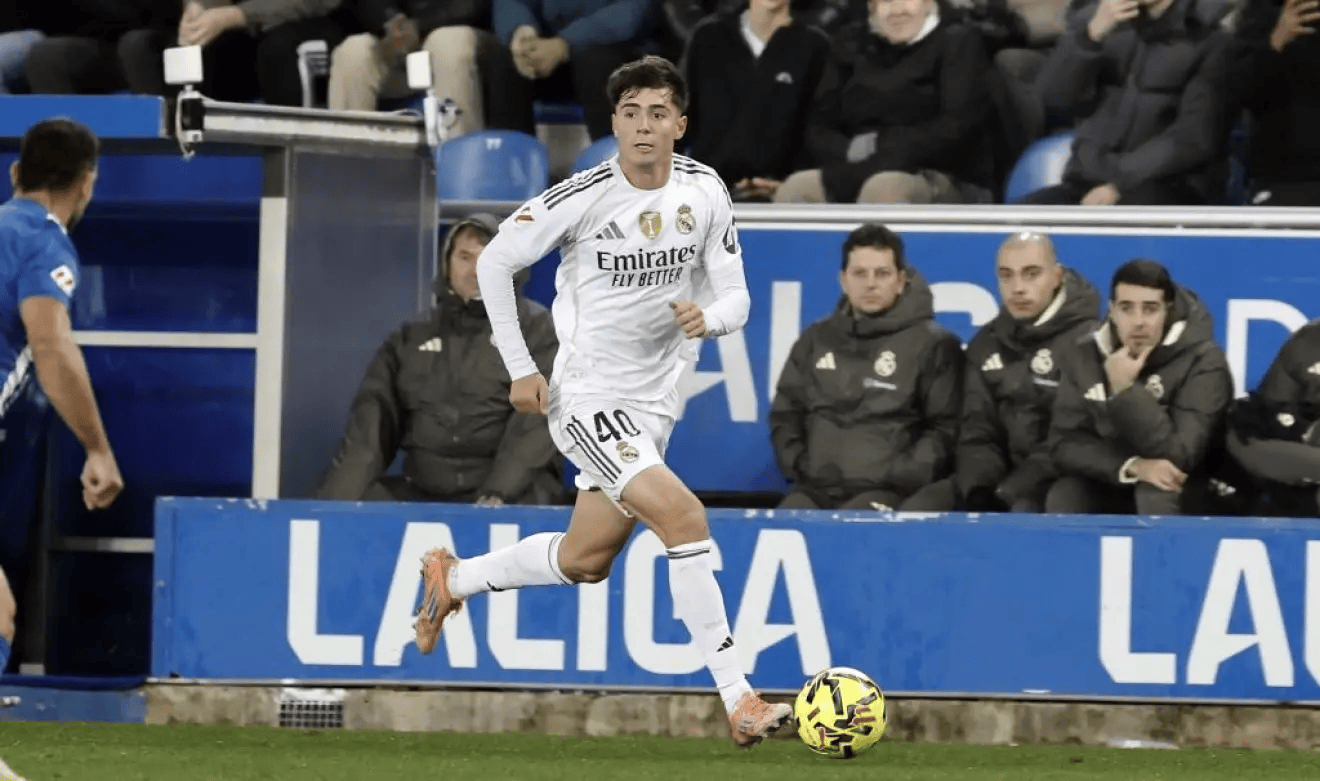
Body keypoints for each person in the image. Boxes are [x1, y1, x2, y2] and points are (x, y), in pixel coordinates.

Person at [406, 55, 792, 748]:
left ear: (680, 124)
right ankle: (740, 698)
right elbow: (495, 261)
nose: (644, 126)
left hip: (654, 404)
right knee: (684, 516)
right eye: (630, 113)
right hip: (588, 395)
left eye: (657, 113)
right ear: (614, 122)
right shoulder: (582, 196)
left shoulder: (705, 190)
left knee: (587, 558)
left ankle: (455, 577)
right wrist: (521, 367)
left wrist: (709, 318)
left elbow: (736, 295)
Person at [0, 119, 123, 779]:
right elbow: (50, 345)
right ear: (87, 184)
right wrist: (98, 449)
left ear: (16, 174)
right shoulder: (41, 241)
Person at [316, 214, 563, 504]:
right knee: (363, 501)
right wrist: (333, 508)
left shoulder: (538, 330)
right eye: (465, 257)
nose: (477, 271)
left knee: (532, 494)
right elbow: (368, 432)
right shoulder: (411, 336)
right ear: (447, 263)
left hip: (509, 495)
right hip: (424, 490)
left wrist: (498, 492)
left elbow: (536, 425)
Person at [769, 223, 963, 511]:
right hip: (815, 489)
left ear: (901, 280)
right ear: (843, 280)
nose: (870, 284)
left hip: (890, 493)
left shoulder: (934, 344)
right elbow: (786, 413)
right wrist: (801, 465)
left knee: (850, 529)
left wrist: (901, 477)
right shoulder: (816, 339)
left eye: (882, 274)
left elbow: (946, 428)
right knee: (782, 525)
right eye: (860, 274)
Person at [904, 232, 1100, 512]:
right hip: (997, 480)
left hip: (1059, 479)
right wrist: (980, 490)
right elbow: (978, 432)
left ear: (1057, 276)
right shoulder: (986, 343)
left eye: (1031, 274)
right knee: (920, 510)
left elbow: (1069, 441)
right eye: (1007, 275)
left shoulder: (1089, 343)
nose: (1017, 288)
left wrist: (1007, 492)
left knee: (1024, 512)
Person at [1042, 259, 1232, 515]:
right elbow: (1063, 442)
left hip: (1191, 485)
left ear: (1167, 311)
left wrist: (1125, 390)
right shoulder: (1085, 354)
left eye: (1150, 309)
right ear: (1112, 311)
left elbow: (1181, 456)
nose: (1138, 321)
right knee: (1067, 494)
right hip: (1117, 475)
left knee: (1156, 491)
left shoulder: (1204, 361)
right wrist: (1133, 466)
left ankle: (1165, 544)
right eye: (1126, 308)